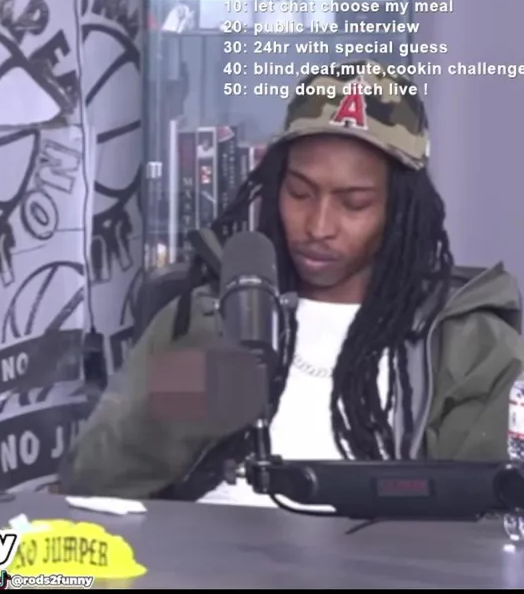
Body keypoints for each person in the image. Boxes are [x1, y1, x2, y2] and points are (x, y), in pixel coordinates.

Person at [61, 62, 524, 505]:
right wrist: (179, 403)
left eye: (354, 204)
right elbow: (90, 485)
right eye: (299, 193)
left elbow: (488, 516)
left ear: (401, 210)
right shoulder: (206, 317)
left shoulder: (469, 344)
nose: (318, 226)